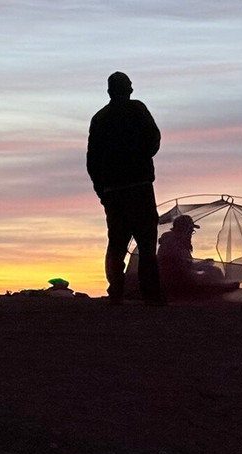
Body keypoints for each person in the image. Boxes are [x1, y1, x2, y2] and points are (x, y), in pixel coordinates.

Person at [86, 71, 164, 305]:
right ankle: (151, 296)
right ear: (128, 89)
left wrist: (102, 189)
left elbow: (92, 160)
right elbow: (153, 140)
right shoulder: (137, 110)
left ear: (110, 91)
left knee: (117, 243)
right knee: (146, 243)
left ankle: (116, 293)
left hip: (112, 191)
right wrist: (139, 160)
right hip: (138, 186)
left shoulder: (100, 118)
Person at [157, 215, 226, 289]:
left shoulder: (175, 242)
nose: (191, 234)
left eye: (192, 231)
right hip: (176, 283)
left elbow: (185, 265)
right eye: (190, 231)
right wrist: (201, 267)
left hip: (176, 279)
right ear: (183, 230)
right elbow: (180, 270)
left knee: (212, 270)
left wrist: (202, 263)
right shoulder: (172, 244)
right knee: (214, 272)